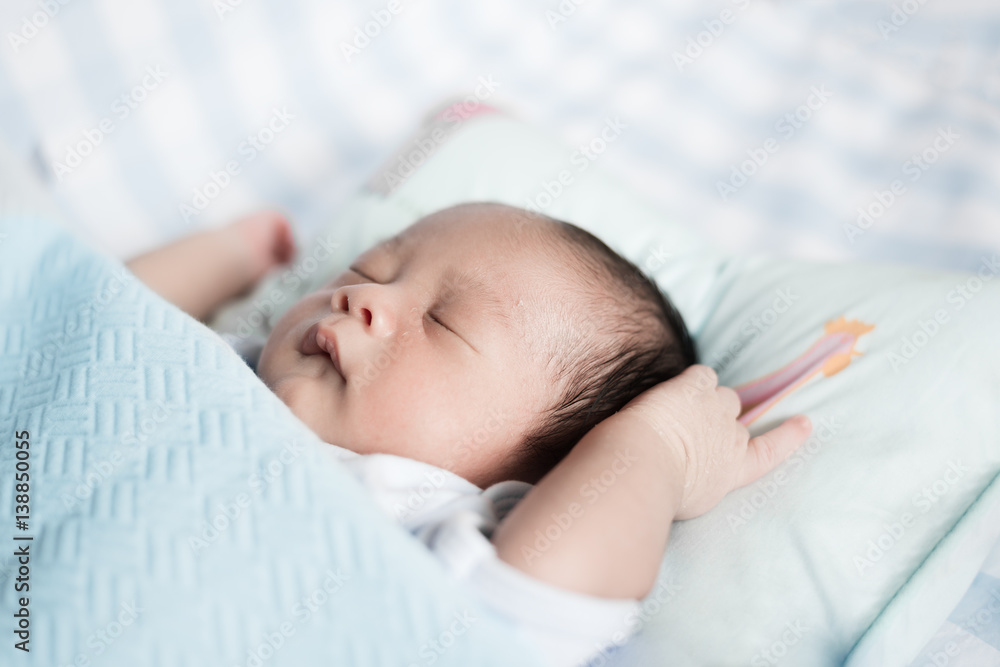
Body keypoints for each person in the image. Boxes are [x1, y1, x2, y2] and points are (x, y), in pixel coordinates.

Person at [127, 202, 812, 666]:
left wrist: (657, 449)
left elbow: (534, 601)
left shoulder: (444, 524)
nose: (361, 297)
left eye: (444, 323)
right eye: (368, 268)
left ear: (548, 479)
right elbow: (81, 319)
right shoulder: (224, 364)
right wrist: (226, 255)